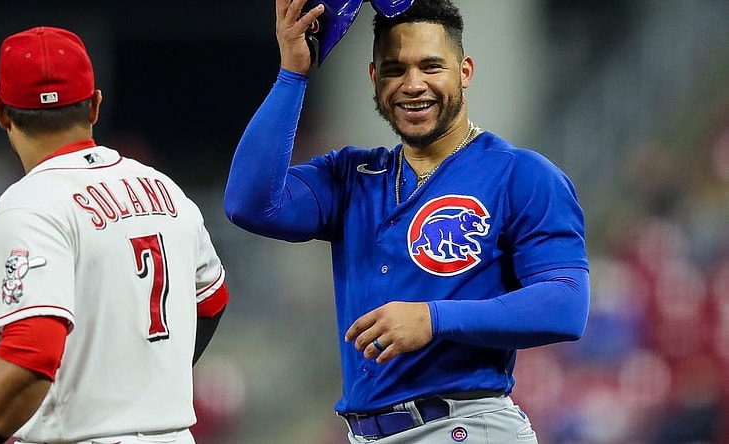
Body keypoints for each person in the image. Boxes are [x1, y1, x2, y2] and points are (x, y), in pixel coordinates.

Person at [224, 0, 590, 442]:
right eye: (395, 69)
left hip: (465, 427)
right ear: (375, 79)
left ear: (465, 71)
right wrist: (292, 73)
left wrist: (433, 318)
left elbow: (565, 305)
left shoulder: (522, 174)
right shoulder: (351, 177)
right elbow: (249, 203)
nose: (413, 84)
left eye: (431, 66)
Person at [0, 26, 229, 444]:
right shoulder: (164, 189)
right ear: (95, 105)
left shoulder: (28, 204)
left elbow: (33, 348)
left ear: (1, 112)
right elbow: (211, 300)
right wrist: (148, 386)